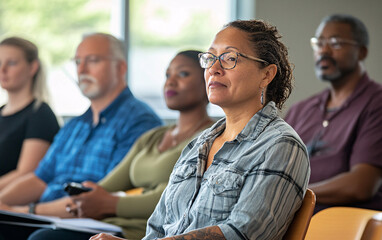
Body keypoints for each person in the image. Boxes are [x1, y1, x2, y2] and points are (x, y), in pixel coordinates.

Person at [90, 19, 310, 240]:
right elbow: (156, 229)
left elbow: (242, 233)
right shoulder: (199, 143)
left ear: (266, 74)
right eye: (211, 58)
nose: (214, 69)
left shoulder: (281, 145)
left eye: (230, 58)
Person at [27, 50, 215, 240]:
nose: (170, 82)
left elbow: (173, 197)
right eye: (167, 75)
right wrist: (87, 197)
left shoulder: (210, 138)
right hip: (106, 225)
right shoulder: (153, 137)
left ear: (207, 80)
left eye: (183, 74)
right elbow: (105, 186)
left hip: (148, 232)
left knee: (41, 238)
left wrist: (109, 204)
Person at [0, 33, 162, 239]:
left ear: (120, 68)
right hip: (48, 217)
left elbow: (98, 197)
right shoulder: (74, 126)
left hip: (95, 224)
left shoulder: (140, 122)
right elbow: (39, 179)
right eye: (78, 62)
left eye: (93, 60)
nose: (82, 69)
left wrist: (25, 211)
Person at [284, 14, 382, 213]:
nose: (324, 50)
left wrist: (291, 194)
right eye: (319, 43)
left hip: (346, 226)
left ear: (361, 52)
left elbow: (361, 185)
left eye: (336, 43)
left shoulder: (376, 103)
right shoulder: (301, 110)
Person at [0, 37, 60, 191]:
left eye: (11, 63)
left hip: (11, 206)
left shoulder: (41, 115)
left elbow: (26, 173)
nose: (3, 70)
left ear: (32, 67)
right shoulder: (2, 111)